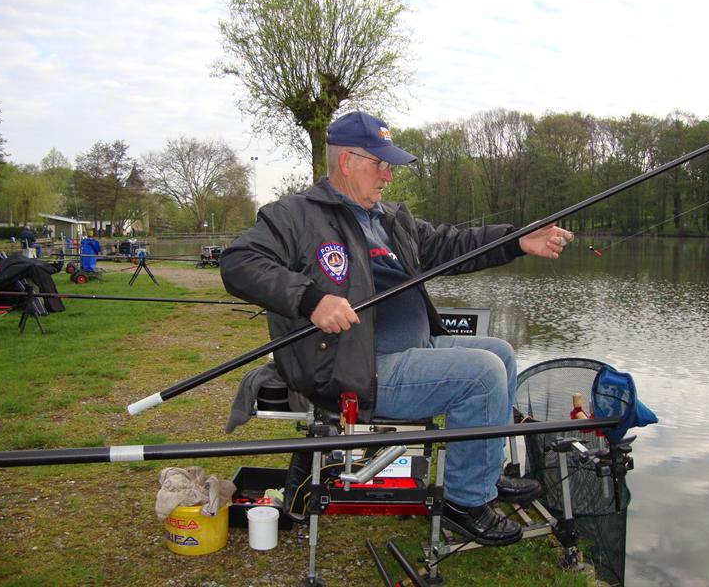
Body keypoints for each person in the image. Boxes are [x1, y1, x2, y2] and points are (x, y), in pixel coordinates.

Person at [220, 111, 574, 547]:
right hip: (355, 369)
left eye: (390, 165)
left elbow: (451, 245)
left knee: (500, 352)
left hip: (411, 349)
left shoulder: (389, 219)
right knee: (482, 374)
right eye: (380, 164)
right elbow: (239, 263)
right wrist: (311, 300)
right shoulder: (294, 216)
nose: (388, 175)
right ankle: (464, 502)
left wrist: (516, 240)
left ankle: (482, 472)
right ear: (347, 161)